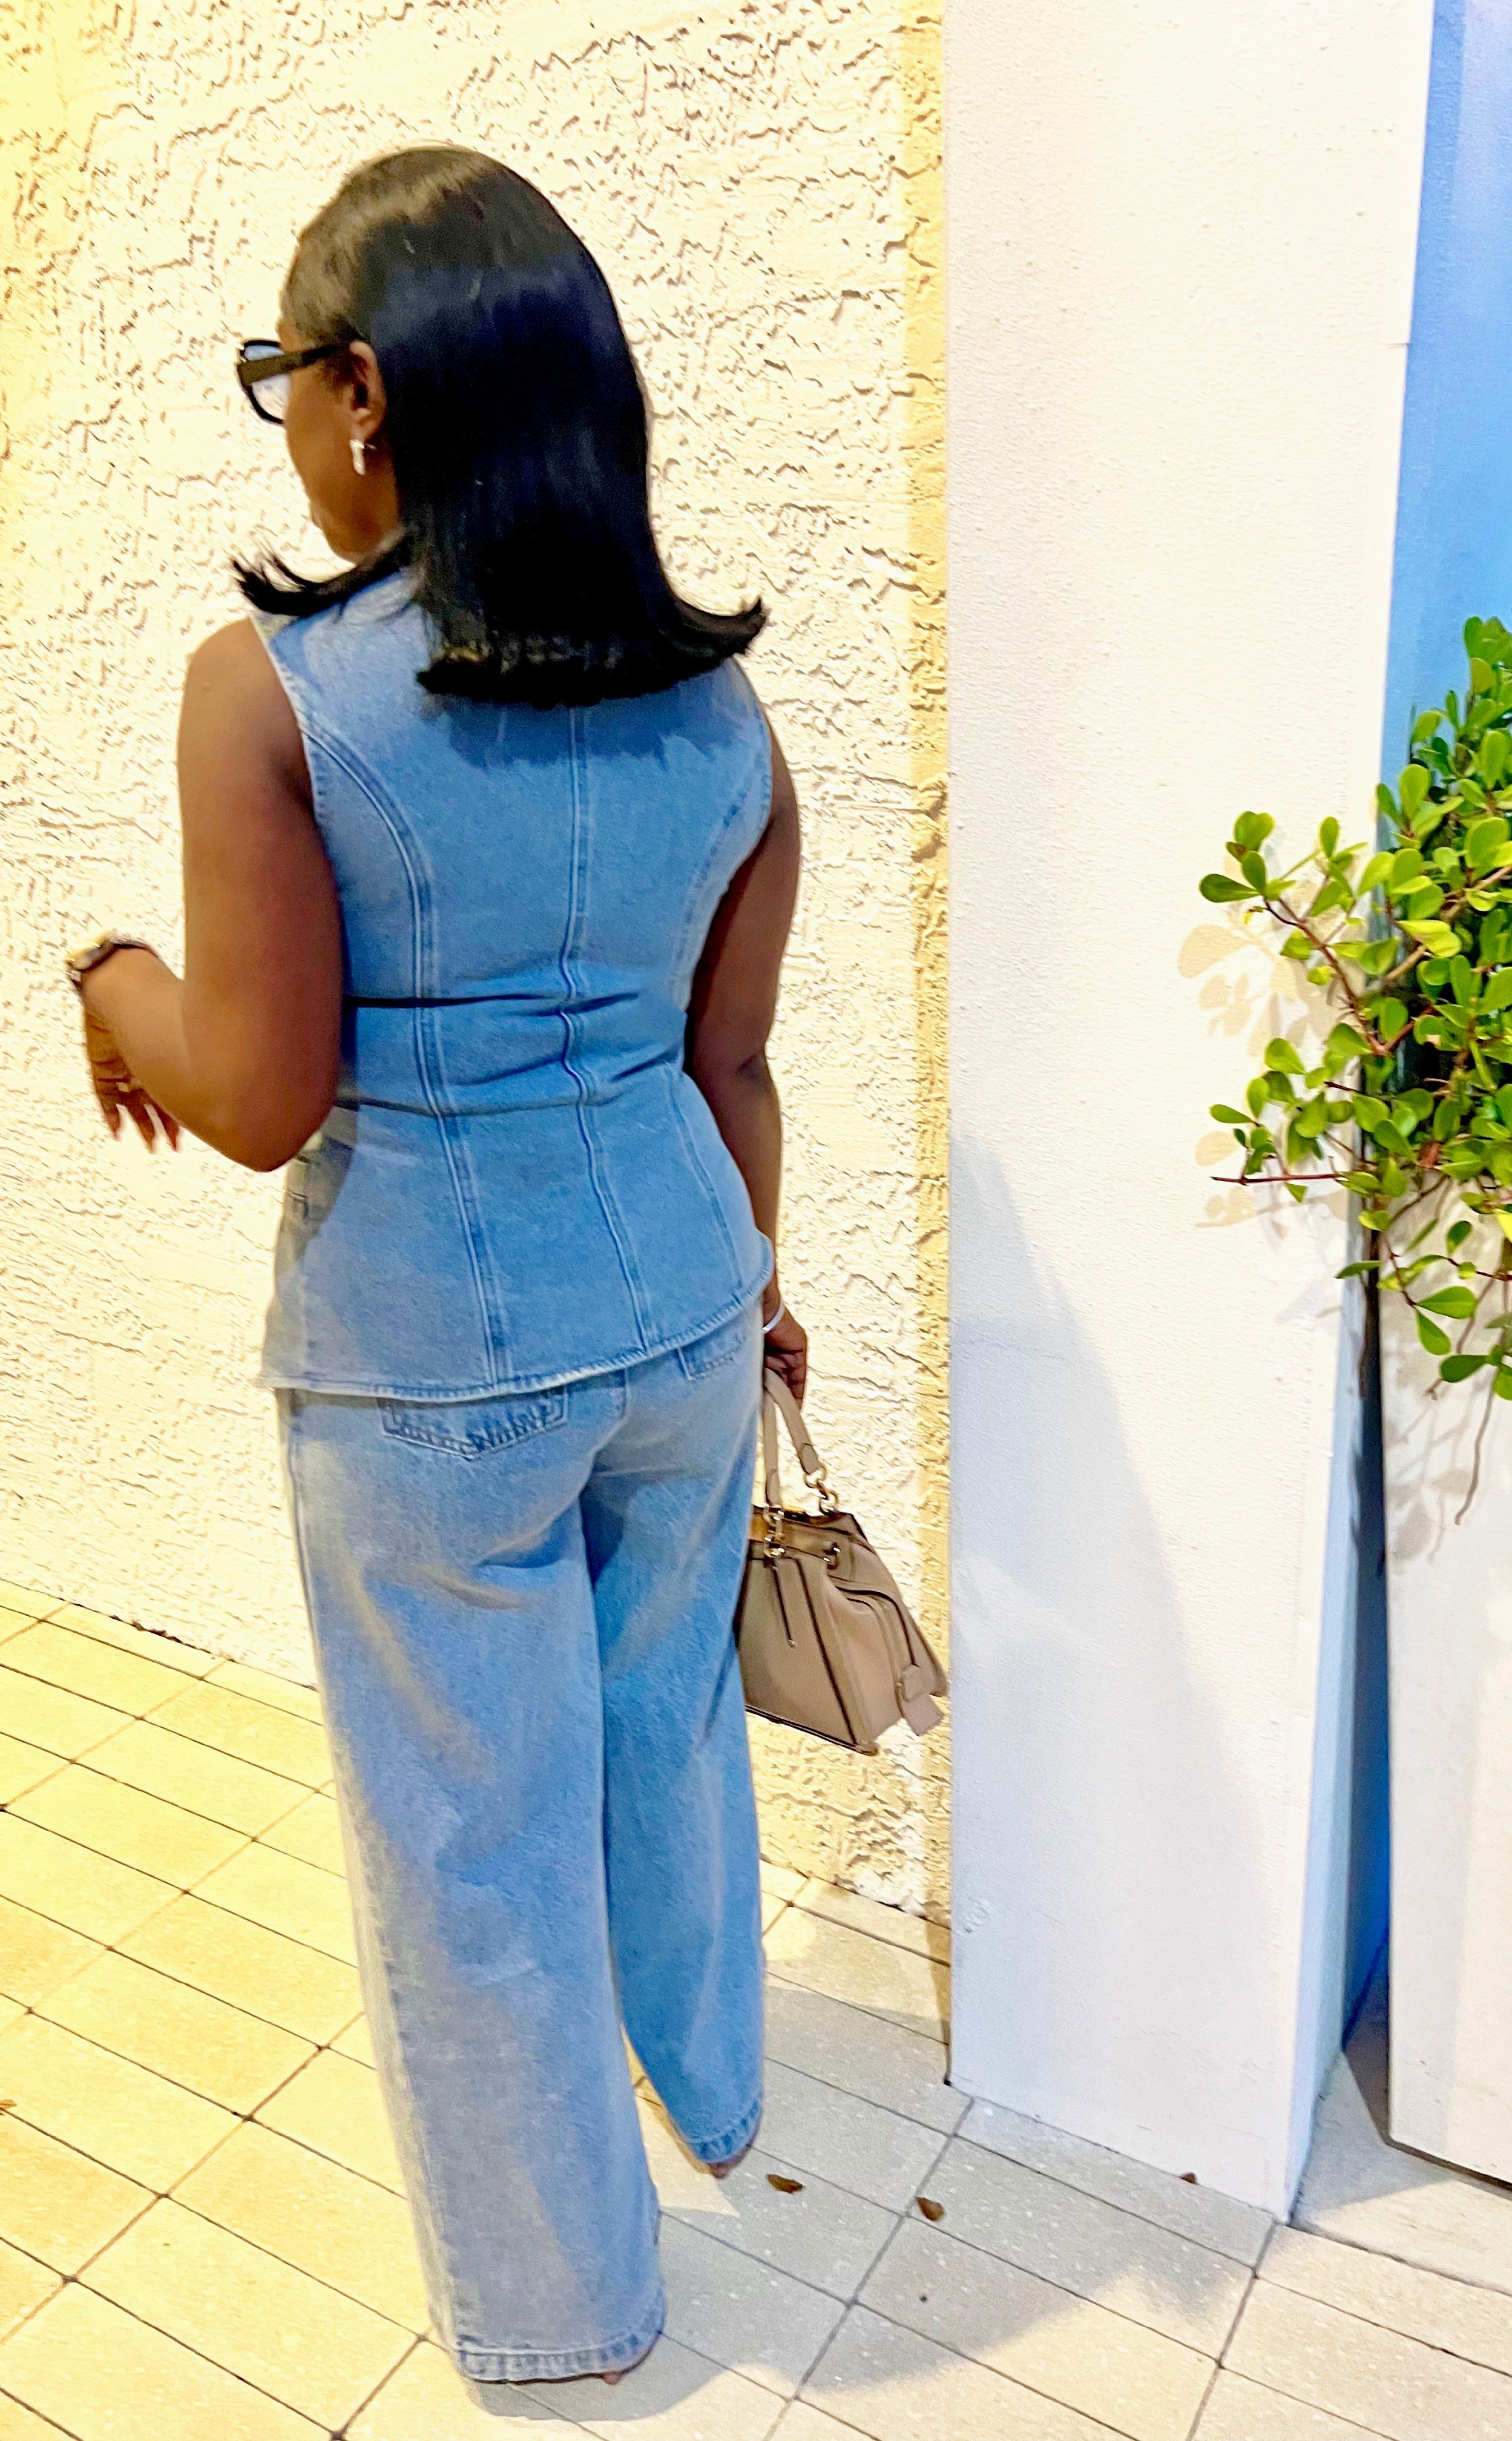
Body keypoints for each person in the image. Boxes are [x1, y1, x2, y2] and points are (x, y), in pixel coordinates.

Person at [66, 146, 809, 2391]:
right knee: (666, 1732)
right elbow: (733, 1063)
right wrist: (756, 1289)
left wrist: (111, 983)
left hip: (429, 1366)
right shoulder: (721, 711)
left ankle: (569, 2321)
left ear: (365, 390)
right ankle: (713, 2089)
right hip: (683, 1305)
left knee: (471, 1848)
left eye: (284, 379)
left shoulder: (271, 695)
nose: (288, 423)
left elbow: (260, 1091)